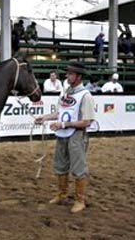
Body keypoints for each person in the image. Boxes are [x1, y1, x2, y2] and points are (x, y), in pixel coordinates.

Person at [35, 62, 95, 214]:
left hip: (76, 135)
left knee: (78, 168)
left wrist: (63, 124)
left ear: (78, 76)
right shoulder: (65, 93)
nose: (67, 75)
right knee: (60, 165)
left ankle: (80, 200)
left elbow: (87, 122)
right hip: (63, 134)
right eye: (67, 73)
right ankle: (62, 194)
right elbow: (59, 113)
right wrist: (45, 118)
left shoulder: (85, 96)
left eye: (70, 73)